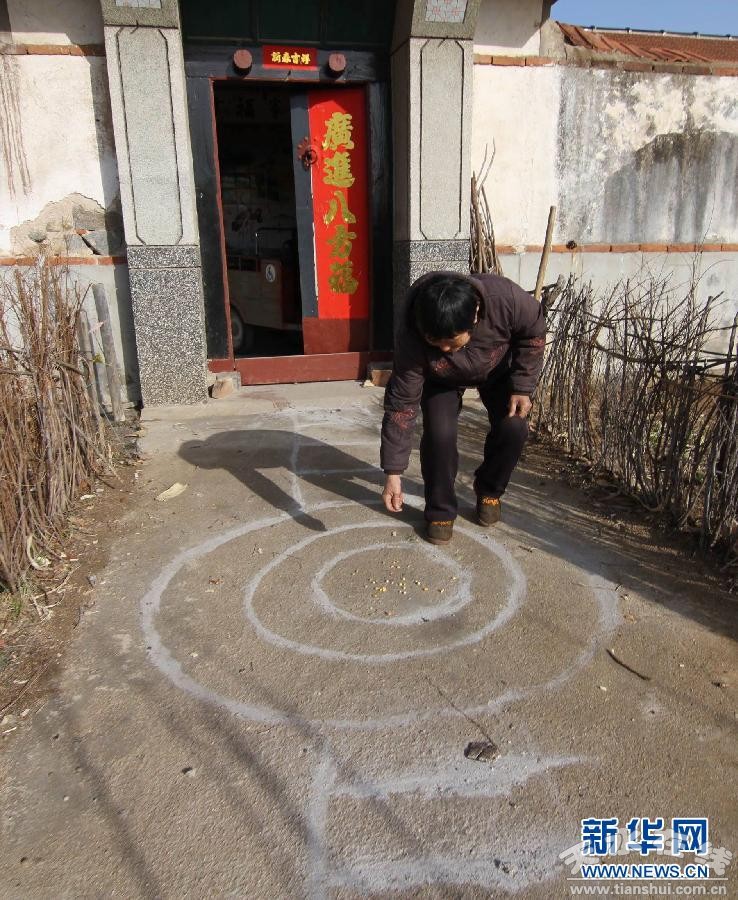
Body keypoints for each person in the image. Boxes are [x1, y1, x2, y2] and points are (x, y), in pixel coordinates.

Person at [380, 270, 546, 544]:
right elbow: (401, 405)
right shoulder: (412, 332)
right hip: (441, 379)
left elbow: (533, 333)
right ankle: (440, 510)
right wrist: (393, 473)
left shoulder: (505, 299)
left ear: (475, 315)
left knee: (514, 426)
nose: (445, 349)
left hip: (496, 369)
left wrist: (522, 386)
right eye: (436, 344)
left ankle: (489, 490)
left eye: (452, 341)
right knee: (439, 434)